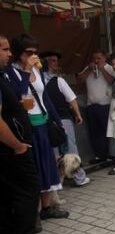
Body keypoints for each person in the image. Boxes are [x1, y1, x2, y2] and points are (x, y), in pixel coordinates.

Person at [0, 35, 52, 234]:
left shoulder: (4, 73)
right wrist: (18, 145)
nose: (8, 53)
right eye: (4, 49)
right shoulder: (10, 72)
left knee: (6, 193)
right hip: (12, 145)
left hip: (14, 141)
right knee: (28, 190)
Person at [9, 34, 69, 220]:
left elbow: (45, 98)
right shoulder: (12, 71)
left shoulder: (38, 71)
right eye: (28, 52)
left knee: (47, 165)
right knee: (33, 169)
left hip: (43, 121)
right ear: (19, 53)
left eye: (35, 53)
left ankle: (47, 207)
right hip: (27, 126)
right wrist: (27, 70)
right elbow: (17, 93)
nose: (33, 56)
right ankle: (32, 215)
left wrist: (58, 121)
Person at [42, 50, 90, 186]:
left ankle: (57, 182)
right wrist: (78, 115)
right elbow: (72, 99)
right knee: (70, 149)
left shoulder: (37, 81)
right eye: (53, 60)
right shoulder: (58, 80)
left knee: (54, 152)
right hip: (62, 119)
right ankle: (79, 178)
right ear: (48, 63)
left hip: (45, 121)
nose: (56, 63)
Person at [77, 50, 115, 164]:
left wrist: (102, 68)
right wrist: (89, 69)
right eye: (94, 58)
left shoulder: (109, 68)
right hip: (91, 105)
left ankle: (110, 154)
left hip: (105, 105)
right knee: (94, 132)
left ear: (104, 58)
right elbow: (80, 79)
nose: (96, 61)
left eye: (99, 58)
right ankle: (99, 155)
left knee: (106, 131)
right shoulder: (89, 68)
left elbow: (112, 81)